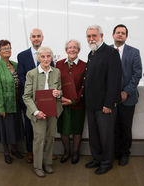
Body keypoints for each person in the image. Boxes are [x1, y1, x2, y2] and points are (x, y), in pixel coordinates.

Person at [84, 25, 122, 174]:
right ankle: (97, 158)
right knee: (94, 134)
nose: (91, 39)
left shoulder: (111, 53)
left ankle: (106, 162)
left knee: (106, 136)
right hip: (91, 103)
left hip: (104, 105)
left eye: (94, 35)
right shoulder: (91, 53)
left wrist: (108, 104)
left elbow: (114, 80)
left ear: (102, 36)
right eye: (89, 36)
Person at [23, 47, 63, 177]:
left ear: (51, 58)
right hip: (38, 112)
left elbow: (60, 90)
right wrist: (35, 112)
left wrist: (58, 94)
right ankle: (38, 166)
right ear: (38, 58)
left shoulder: (56, 72)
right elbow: (26, 96)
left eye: (48, 56)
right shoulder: (31, 74)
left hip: (53, 110)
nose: (46, 59)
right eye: (43, 56)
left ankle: (47, 163)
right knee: (39, 139)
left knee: (50, 138)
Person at [17, 28, 55, 163]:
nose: (36, 38)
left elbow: (52, 75)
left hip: (46, 100)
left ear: (42, 37)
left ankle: (45, 153)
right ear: (30, 38)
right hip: (30, 100)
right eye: (34, 36)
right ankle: (30, 152)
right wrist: (32, 89)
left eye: (39, 36)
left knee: (46, 127)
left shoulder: (48, 54)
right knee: (30, 127)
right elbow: (21, 75)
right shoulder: (22, 55)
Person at [111, 24, 142, 166]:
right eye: (118, 32)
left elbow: (137, 74)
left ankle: (125, 153)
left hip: (128, 98)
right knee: (113, 127)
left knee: (125, 127)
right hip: (110, 99)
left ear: (126, 36)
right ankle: (115, 152)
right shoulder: (107, 51)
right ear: (113, 35)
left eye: (123, 33)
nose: (120, 35)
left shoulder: (134, 52)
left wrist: (126, 91)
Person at [0, 40, 24, 164]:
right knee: (5, 129)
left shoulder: (15, 64)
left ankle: (14, 149)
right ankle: (6, 152)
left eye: (9, 48)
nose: (7, 50)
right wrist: (0, 107)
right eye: (4, 49)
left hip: (16, 102)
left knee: (15, 127)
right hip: (4, 103)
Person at [56, 40, 86, 164]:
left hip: (77, 103)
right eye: (69, 47)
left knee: (77, 129)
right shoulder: (58, 64)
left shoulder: (84, 65)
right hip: (62, 103)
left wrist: (73, 100)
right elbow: (55, 83)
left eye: (75, 47)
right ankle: (66, 152)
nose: (72, 49)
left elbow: (84, 86)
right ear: (66, 50)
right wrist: (61, 98)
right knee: (64, 129)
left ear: (78, 50)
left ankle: (75, 153)